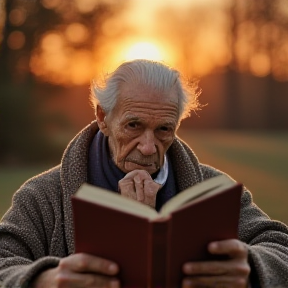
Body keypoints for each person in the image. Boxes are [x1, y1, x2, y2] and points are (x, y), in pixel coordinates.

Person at [0, 59, 288, 288]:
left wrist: (250, 267)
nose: (149, 148)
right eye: (134, 125)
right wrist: (43, 281)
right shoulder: (41, 196)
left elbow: (280, 247)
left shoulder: (214, 190)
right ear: (103, 117)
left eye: (163, 129)